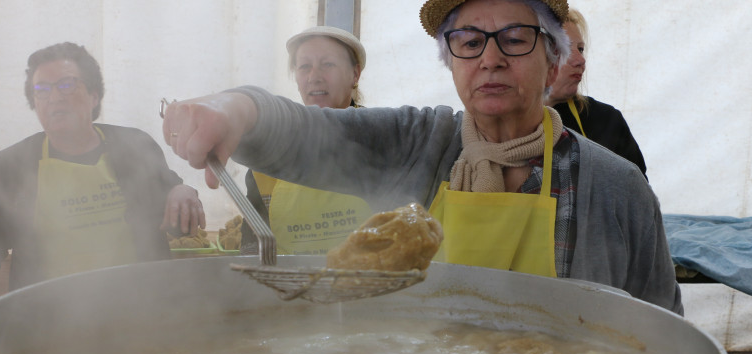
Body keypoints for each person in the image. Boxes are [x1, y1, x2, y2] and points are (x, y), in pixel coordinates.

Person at [161, 0, 683, 314]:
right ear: (450, 63)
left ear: (553, 62)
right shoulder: (419, 143)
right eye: (469, 41)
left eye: (517, 39)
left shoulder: (616, 188)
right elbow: (308, 135)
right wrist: (234, 109)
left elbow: (660, 334)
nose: (491, 57)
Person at [0, 42, 205, 319]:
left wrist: (182, 191)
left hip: (141, 312)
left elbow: (176, 219)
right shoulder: (11, 165)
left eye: (66, 85)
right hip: (48, 319)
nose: (54, 98)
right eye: (41, 90)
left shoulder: (135, 146)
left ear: (94, 96)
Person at [242, 26, 373, 255]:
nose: (314, 77)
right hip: (291, 287)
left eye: (328, 64)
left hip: (371, 285)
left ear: (355, 74)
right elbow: (252, 245)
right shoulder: (269, 150)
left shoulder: (384, 139)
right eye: (304, 66)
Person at [546, 7, 647, 177]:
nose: (581, 60)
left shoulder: (607, 121)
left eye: (581, 49)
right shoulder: (502, 121)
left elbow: (638, 197)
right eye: (568, 49)